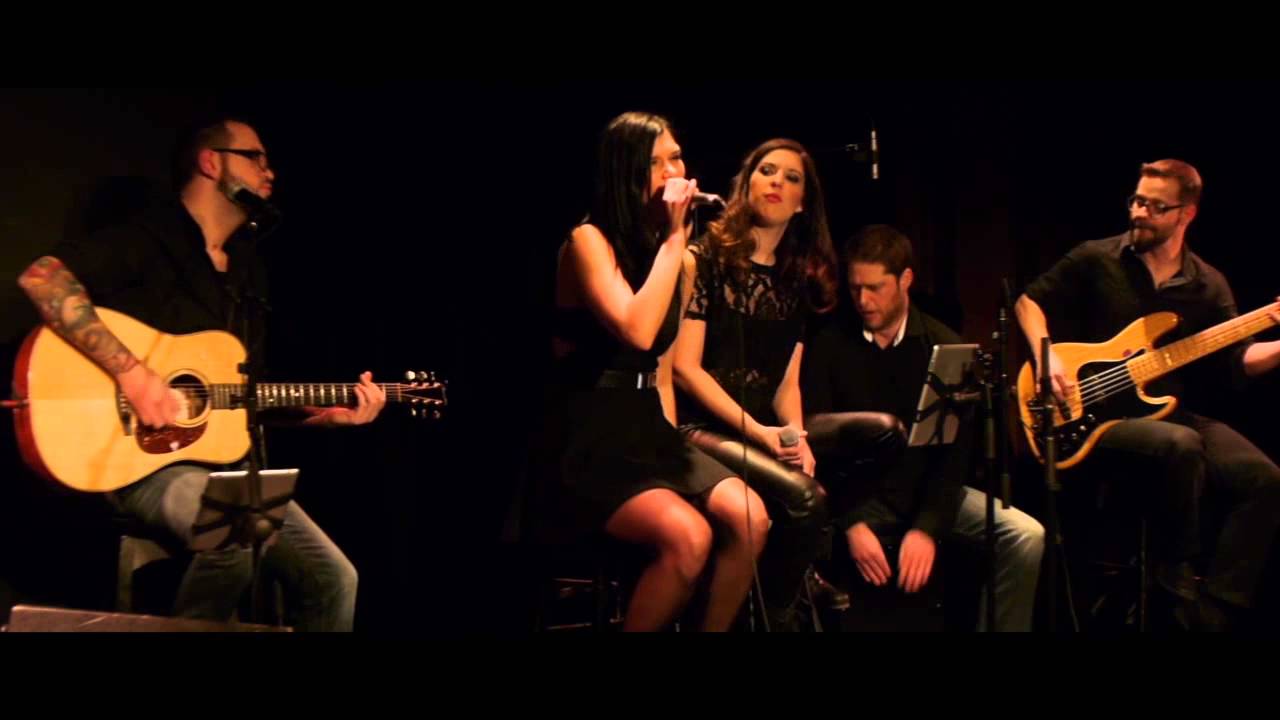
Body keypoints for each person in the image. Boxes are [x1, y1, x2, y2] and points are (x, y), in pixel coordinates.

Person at [16, 116, 379, 631]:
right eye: (255, 157)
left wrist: (321, 417)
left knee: (333, 578)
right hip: (137, 461)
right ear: (211, 162)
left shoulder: (247, 272)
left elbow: (241, 400)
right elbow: (43, 278)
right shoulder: (150, 238)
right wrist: (132, 373)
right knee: (236, 527)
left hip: (226, 469)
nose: (270, 172)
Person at [1015, 159, 1280, 631]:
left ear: (1186, 214)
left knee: (1266, 479)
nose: (1140, 212)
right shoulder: (1096, 258)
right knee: (1181, 445)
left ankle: (1215, 608)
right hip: (1095, 417)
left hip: (1169, 412)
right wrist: (1045, 353)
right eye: (1137, 200)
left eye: (1156, 207)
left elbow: (1239, 359)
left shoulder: (1207, 284)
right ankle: (1173, 581)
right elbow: (1028, 302)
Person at [545, 111, 767, 631]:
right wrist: (674, 239)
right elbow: (637, 331)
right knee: (689, 537)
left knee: (750, 517)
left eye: (677, 157)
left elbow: (661, 368)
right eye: (656, 162)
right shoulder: (589, 241)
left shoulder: (680, 260)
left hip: (646, 424)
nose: (674, 172)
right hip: (589, 432)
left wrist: (670, 439)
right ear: (625, 173)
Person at [672, 138, 884, 629]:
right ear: (747, 183)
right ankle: (781, 614)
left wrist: (795, 435)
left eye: (792, 178)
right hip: (699, 428)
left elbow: (787, 380)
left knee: (876, 438)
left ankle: (797, 574)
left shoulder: (795, 277)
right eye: (767, 171)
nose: (777, 183)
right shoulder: (703, 259)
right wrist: (762, 434)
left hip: (761, 426)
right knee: (806, 500)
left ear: (803, 202)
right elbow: (686, 368)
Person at [803, 224, 1044, 631]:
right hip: (857, 495)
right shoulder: (829, 345)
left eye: (875, 288)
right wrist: (851, 521)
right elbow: (818, 447)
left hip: (924, 491)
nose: (863, 300)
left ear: (906, 280)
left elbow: (954, 456)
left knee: (1025, 536)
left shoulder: (943, 345)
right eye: (856, 287)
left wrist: (927, 528)